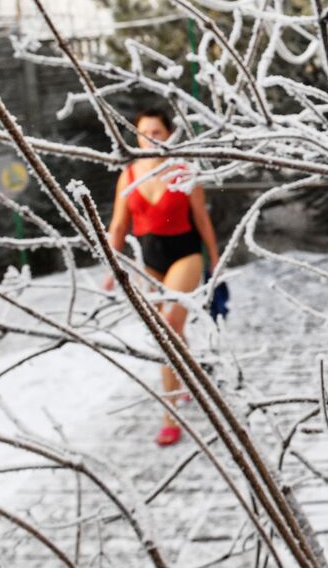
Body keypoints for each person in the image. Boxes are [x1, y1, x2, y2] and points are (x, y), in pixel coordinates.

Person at [102, 106, 220, 446]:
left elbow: (202, 219)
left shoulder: (182, 171)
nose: (150, 139)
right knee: (165, 333)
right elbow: (119, 225)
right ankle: (183, 377)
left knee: (169, 326)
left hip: (185, 255)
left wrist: (214, 259)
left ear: (169, 135)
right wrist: (112, 266)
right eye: (144, 133)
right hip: (148, 260)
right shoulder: (128, 175)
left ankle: (171, 418)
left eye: (157, 133)